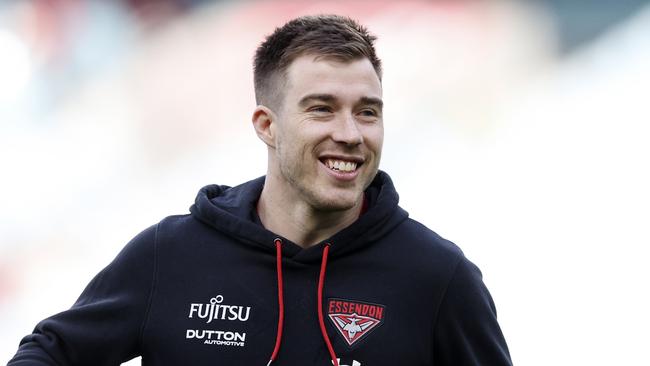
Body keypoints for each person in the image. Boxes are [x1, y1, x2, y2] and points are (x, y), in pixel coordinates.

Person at [8, 14, 512, 366]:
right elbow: (50, 354)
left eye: (367, 111)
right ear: (266, 125)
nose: (351, 134)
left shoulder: (439, 279)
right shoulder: (171, 256)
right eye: (321, 109)